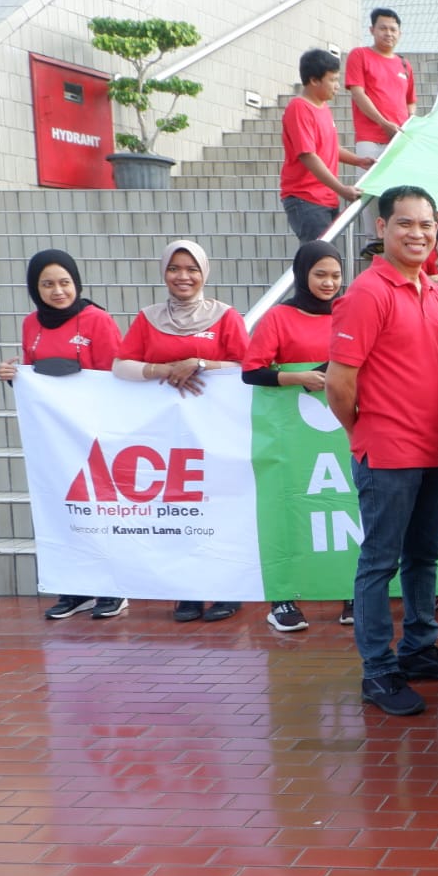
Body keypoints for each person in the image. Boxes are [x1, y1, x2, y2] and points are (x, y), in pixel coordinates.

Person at [326, 187, 438, 717]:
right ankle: (378, 671)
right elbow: (340, 384)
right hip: (387, 452)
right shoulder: (367, 293)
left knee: (424, 558)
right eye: (404, 223)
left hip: (435, 449)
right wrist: (362, 431)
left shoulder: (433, 292)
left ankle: (417, 650)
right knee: (379, 562)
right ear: (381, 228)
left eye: (426, 225)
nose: (418, 234)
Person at [113, 240, 250, 623]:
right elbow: (120, 366)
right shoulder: (148, 318)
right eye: (175, 268)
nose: (183, 276)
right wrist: (162, 369)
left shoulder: (225, 317)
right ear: (164, 272)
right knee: (177, 509)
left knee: (218, 508)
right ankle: (187, 592)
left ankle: (226, 589)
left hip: (216, 434)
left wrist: (200, 363)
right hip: (166, 437)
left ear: (204, 272)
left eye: (191, 268)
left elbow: (247, 366)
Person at [0, 249, 126, 621]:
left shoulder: (97, 321)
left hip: (95, 433)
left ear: (76, 283)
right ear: (35, 289)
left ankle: (112, 589)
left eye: (65, 282)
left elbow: (115, 379)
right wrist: (14, 377)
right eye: (48, 284)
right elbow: (37, 379)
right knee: (63, 510)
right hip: (55, 438)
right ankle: (75, 589)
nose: (58, 291)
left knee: (100, 510)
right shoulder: (30, 325)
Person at [241, 241, 348, 632]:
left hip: (344, 431)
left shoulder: (350, 312)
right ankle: (284, 598)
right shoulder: (278, 318)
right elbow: (252, 371)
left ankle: (349, 592)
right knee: (289, 510)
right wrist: (297, 377)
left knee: (345, 508)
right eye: (320, 274)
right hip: (291, 438)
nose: (329, 283)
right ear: (302, 274)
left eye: (335, 275)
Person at [280, 49, 369, 243]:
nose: (337, 86)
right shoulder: (299, 108)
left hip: (325, 198)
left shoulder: (323, 107)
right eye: (333, 80)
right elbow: (308, 155)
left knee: (325, 259)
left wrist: (359, 161)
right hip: (306, 199)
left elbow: (329, 148)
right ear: (314, 80)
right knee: (318, 261)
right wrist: (342, 189)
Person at [345, 9, 415, 167]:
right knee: (368, 190)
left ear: (399, 33)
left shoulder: (404, 64)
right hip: (370, 139)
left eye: (393, 29)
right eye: (383, 28)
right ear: (372, 30)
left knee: (401, 190)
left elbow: (410, 101)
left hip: (399, 140)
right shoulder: (359, 55)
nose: (388, 33)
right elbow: (358, 93)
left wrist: (410, 121)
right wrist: (384, 123)